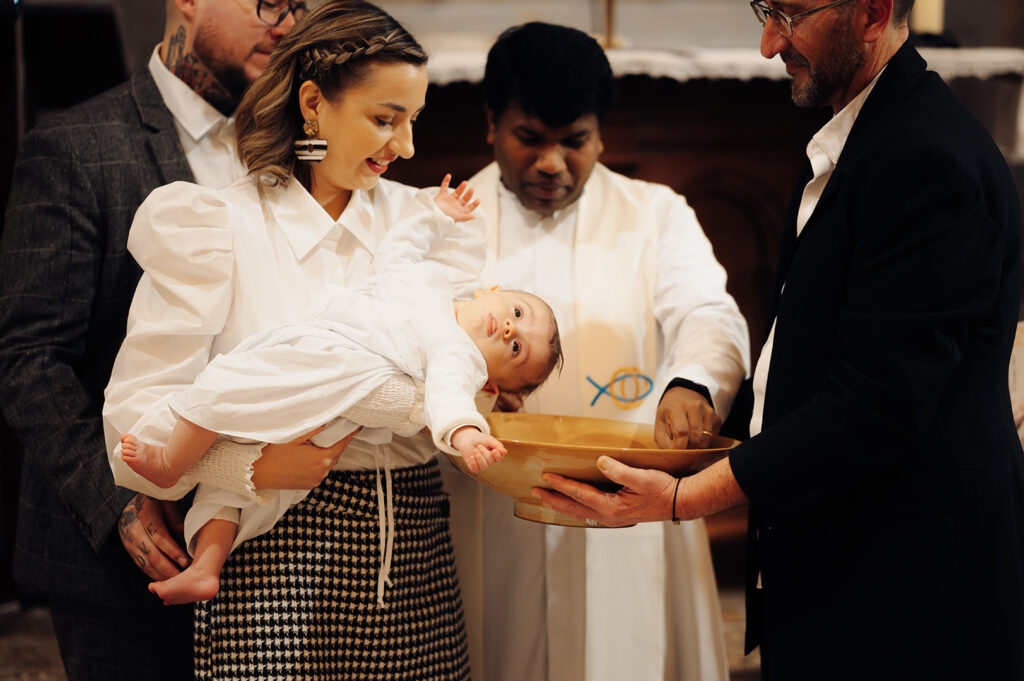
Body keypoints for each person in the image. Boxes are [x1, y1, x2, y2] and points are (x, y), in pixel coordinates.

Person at [534, 1, 1024, 679]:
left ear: (874, 13)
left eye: (791, 16)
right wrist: (707, 418)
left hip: (910, 579)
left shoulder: (924, 158)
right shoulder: (858, 133)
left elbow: (876, 405)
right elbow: (809, 350)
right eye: (766, 10)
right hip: (848, 553)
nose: (768, 44)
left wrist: (682, 500)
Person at [103, 2, 481, 678]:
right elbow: (134, 433)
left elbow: (469, 371)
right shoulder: (217, 224)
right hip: (273, 559)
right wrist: (251, 467)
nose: (407, 148)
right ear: (313, 103)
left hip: (415, 555)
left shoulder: (426, 226)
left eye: (413, 120)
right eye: (385, 119)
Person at [0, 1, 315, 679]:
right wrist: (119, 502)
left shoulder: (301, 144)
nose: (288, 23)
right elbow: (31, 360)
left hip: (273, 544)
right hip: (127, 552)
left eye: (301, 4)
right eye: (267, 1)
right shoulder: (77, 147)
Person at [444, 22, 751, 681]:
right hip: (494, 513)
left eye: (574, 141)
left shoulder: (655, 214)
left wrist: (692, 384)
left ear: (601, 134)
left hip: (628, 510)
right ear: (492, 123)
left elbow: (707, 311)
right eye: (529, 137)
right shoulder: (443, 225)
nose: (552, 162)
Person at [117, 185, 562, 606]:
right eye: (518, 313)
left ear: (490, 382)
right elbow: (396, 253)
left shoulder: (459, 354)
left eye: (517, 347)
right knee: (233, 484)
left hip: (330, 373)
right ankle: (206, 567)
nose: (508, 329)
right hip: (320, 359)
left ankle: (168, 463)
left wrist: (467, 435)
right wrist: (434, 215)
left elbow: (448, 401)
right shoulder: (431, 284)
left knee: (223, 387)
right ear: (492, 292)